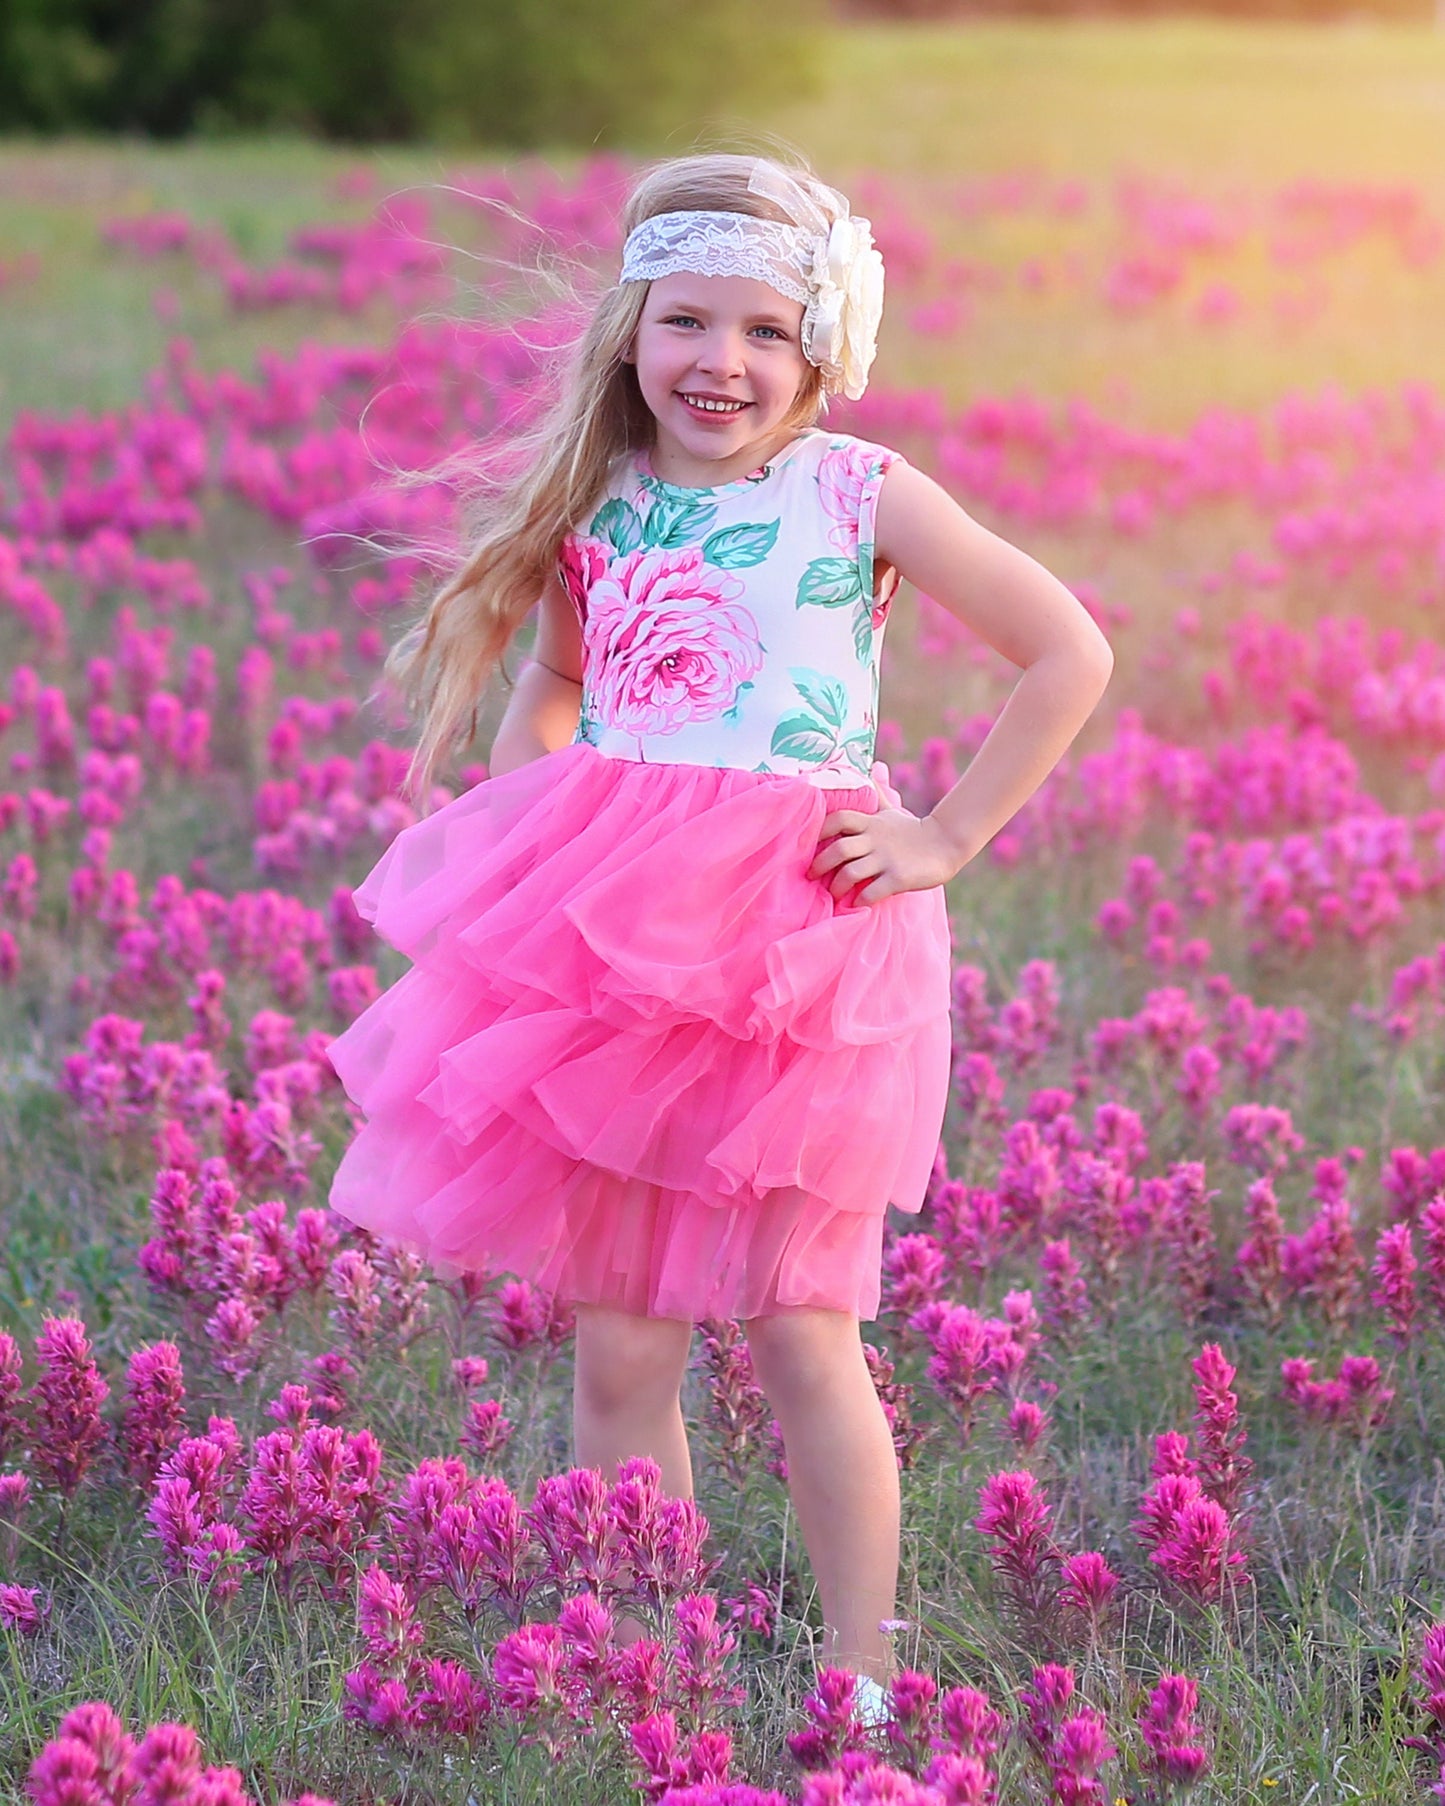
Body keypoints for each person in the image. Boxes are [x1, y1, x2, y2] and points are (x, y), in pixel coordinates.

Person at [324, 148, 1113, 1725]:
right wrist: (539, 808)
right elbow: (555, 684)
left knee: (804, 1332)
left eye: (765, 329)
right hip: (619, 953)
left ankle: (863, 1674)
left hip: (802, 948)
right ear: (629, 329)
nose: (723, 362)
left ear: (822, 344)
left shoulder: (856, 491)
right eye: (687, 321)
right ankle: (646, 1660)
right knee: (620, 1349)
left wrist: (942, 834)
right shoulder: (597, 507)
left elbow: (1065, 649)